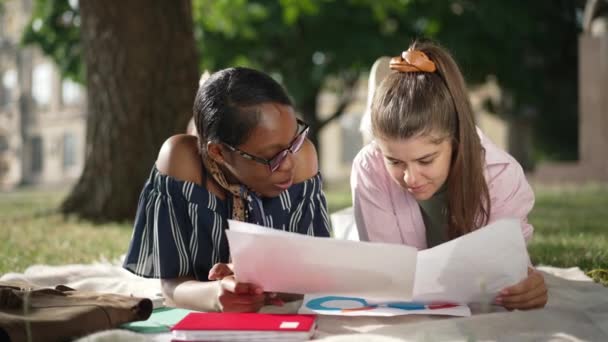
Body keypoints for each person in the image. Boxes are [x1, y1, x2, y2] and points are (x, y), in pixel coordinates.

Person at [351, 40, 547, 310]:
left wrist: (526, 286)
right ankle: (371, 120)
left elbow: (507, 272)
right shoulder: (370, 167)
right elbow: (389, 277)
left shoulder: (502, 177)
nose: (410, 178)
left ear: (455, 141)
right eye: (395, 161)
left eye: (425, 160)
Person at [123, 67, 331, 312]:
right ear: (218, 152)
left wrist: (261, 279)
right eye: (271, 156)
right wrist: (214, 295)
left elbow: (319, 274)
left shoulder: (302, 158)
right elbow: (171, 286)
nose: (288, 164)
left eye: (293, 142)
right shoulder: (182, 164)